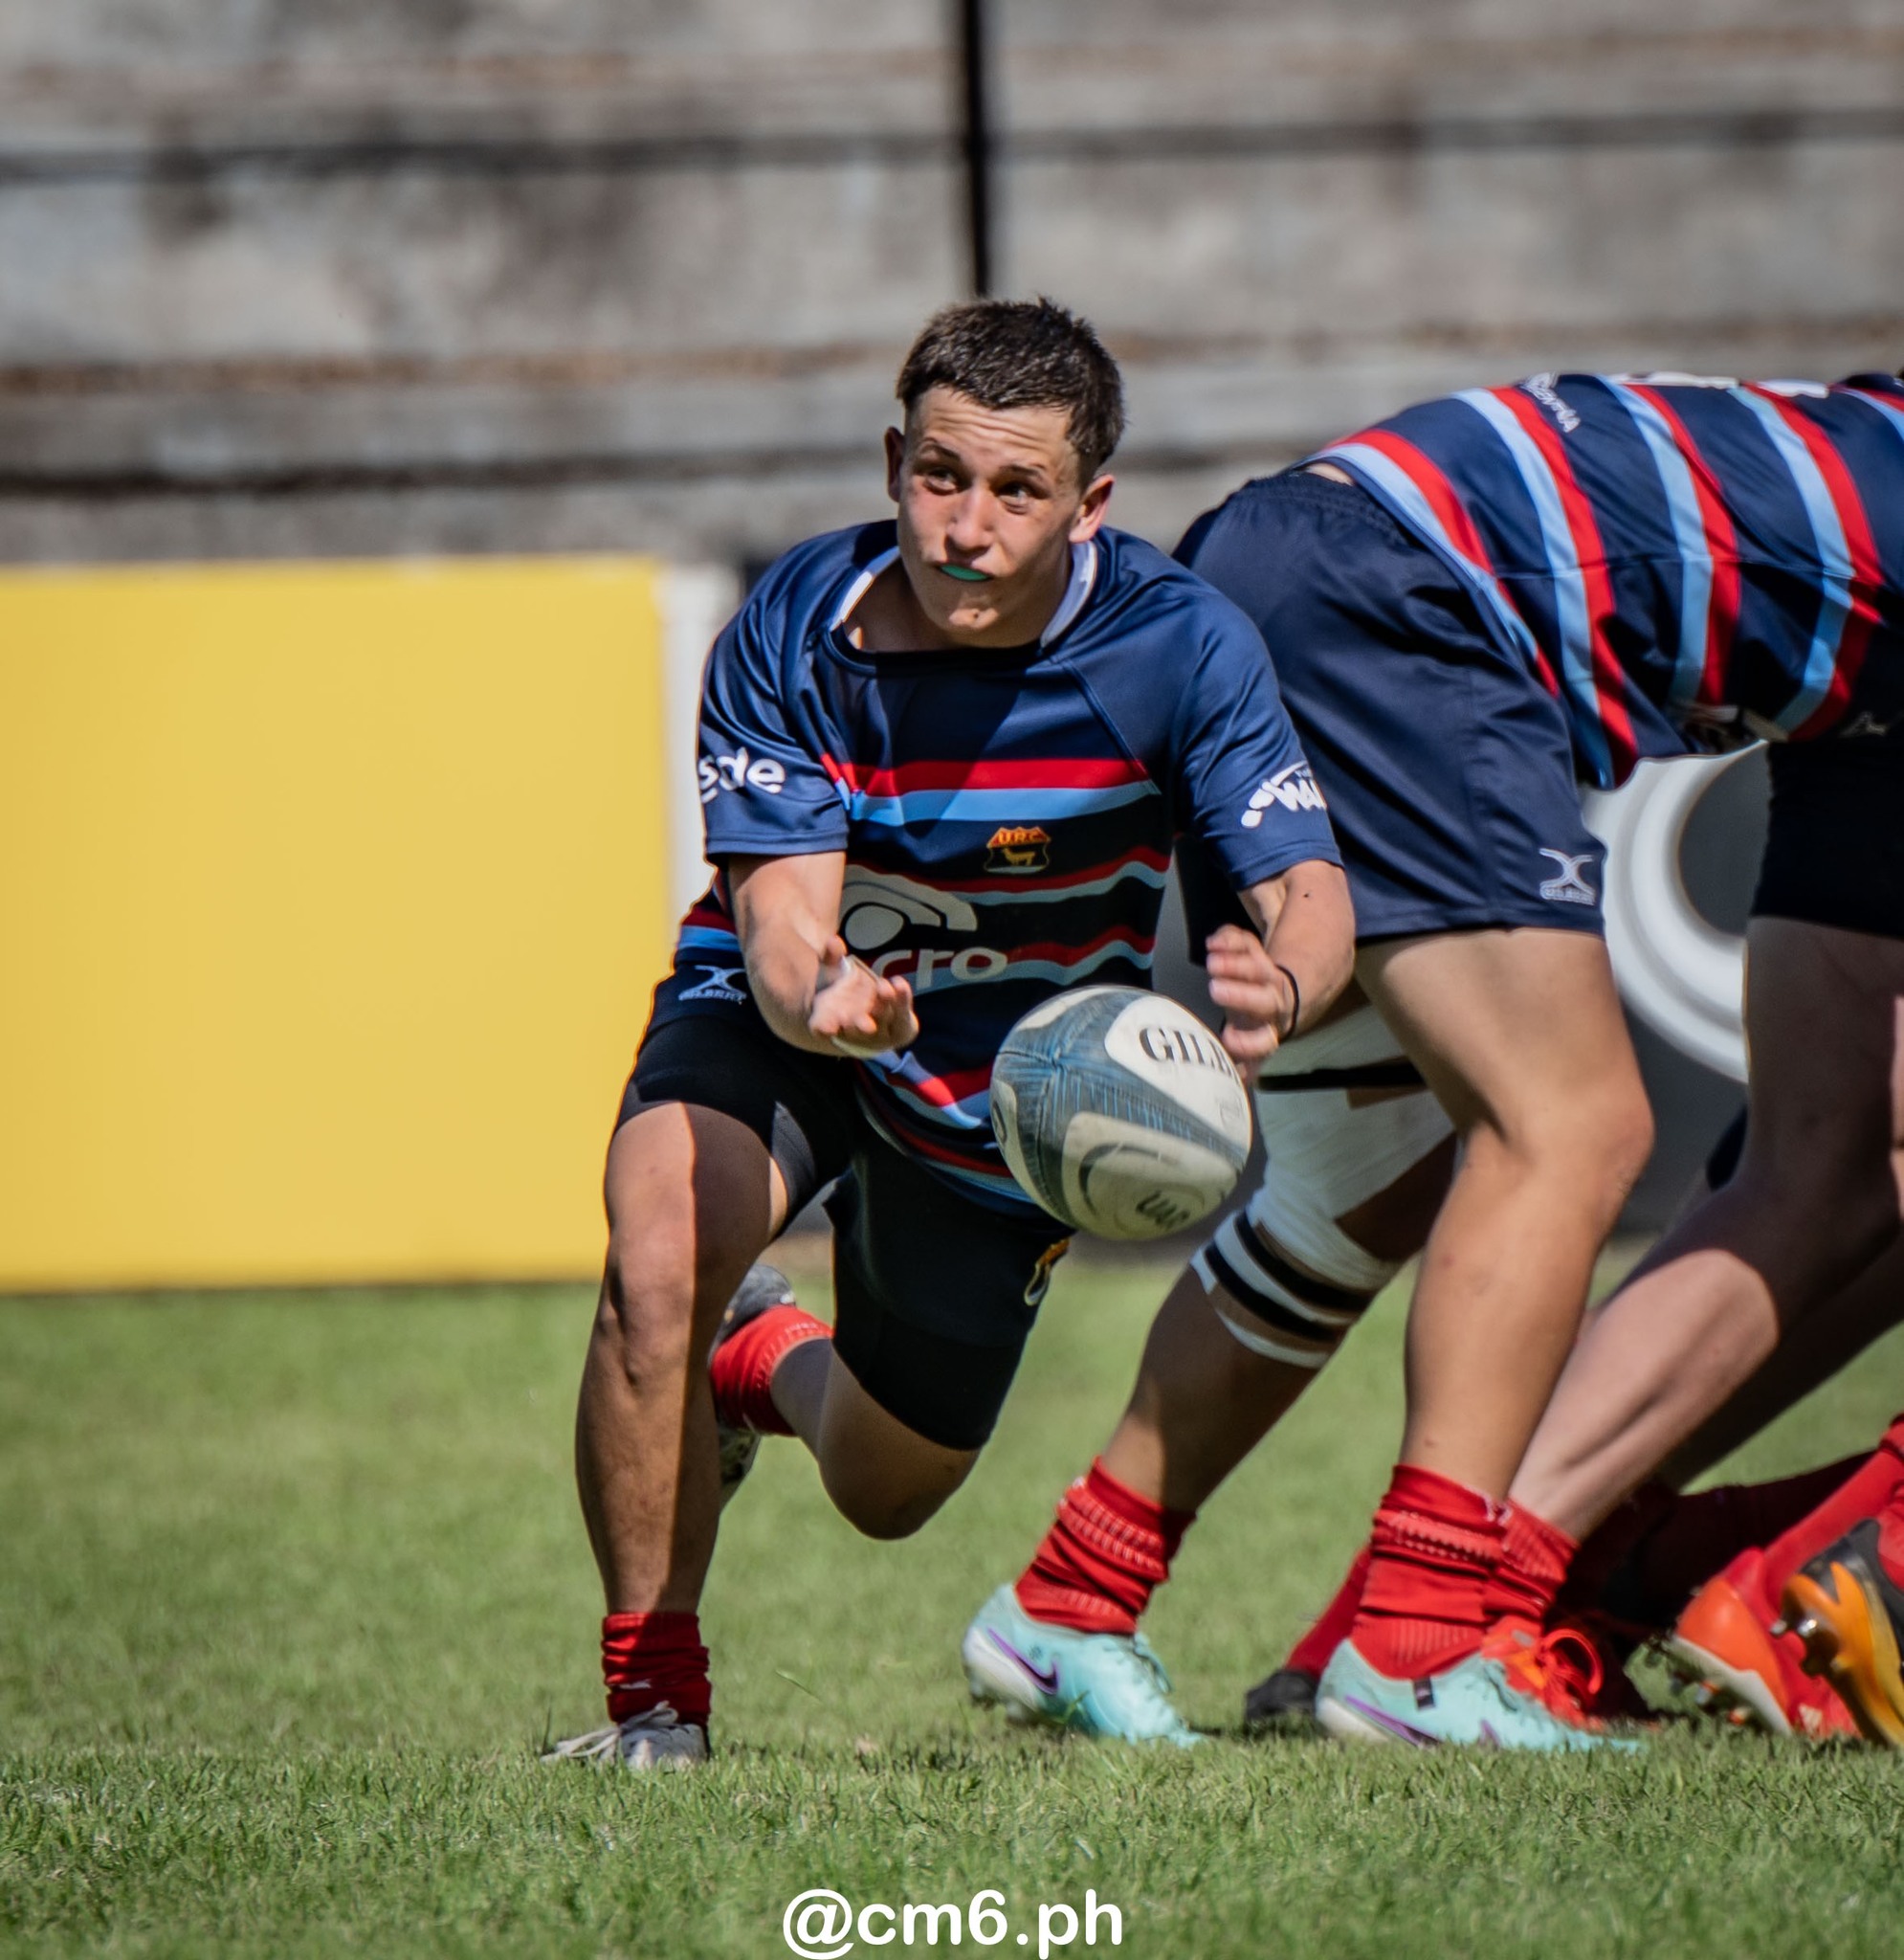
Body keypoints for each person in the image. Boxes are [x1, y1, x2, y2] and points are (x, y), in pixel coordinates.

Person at [961, 368, 1904, 1751]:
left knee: (1362, 1190)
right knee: (1567, 1130)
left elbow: (1839, 1143)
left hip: (1291, 564)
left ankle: (1069, 1599)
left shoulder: (1854, 597)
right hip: (1390, 595)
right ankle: (1411, 1648)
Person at [543, 298, 1353, 1770]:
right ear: (892, 459)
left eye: (1014, 490)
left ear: (1087, 503)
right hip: (789, 1012)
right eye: (935, 474)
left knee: (883, 1484)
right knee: (663, 1237)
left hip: (1021, 1092)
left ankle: (759, 1360)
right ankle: (655, 1709)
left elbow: (1307, 886)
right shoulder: (792, 624)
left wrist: (1284, 985)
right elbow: (785, 923)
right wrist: (821, 1000)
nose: (962, 524)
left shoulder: (1178, 644)